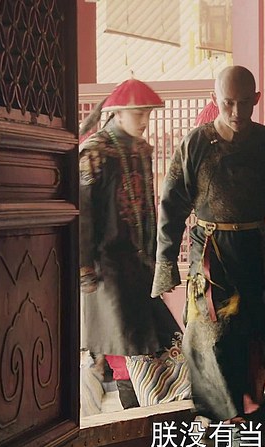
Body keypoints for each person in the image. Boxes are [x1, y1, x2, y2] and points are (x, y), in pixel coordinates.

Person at [151, 66, 265, 447]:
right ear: (216, 99)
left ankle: (261, 425)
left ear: (256, 99)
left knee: (263, 335)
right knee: (210, 339)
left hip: (255, 250)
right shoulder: (195, 144)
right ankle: (235, 434)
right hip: (209, 254)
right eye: (228, 102)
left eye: (245, 102)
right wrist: (165, 261)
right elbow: (171, 205)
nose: (237, 111)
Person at [79, 79, 181, 373]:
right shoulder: (94, 153)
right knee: (126, 346)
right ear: (119, 113)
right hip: (108, 265)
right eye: (139, 114)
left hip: (139, 262)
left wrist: (156, 258)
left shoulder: (141, 150)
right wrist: (85, 267)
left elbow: (148, 209)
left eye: (148, 113)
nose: (145, 121)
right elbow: (84, 213)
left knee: (158, 342)